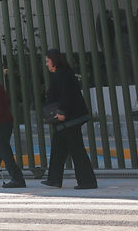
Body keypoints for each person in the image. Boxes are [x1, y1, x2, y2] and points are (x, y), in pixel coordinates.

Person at [41, 48, 97, 190]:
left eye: (48, 61)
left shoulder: (62, 74)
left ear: (54, 61)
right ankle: (54, 179)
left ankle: (87, 181)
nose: (46, 64)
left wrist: (62, 112)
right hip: (67, 120)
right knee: (58, 148)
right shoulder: (63, 73)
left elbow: (67, 95)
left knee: (77, 150)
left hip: (68, 120)